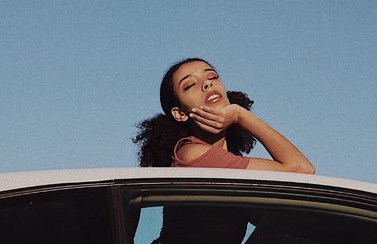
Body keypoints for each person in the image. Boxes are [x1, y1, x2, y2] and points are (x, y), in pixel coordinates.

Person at [133, 57, 315, 244]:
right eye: (189, 85)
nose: (207, 84)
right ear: (180, 113)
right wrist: (240, 114)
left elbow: (275, 222)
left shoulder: (228, 165)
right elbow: (301, 168)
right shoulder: (193, 154)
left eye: (212, 76)